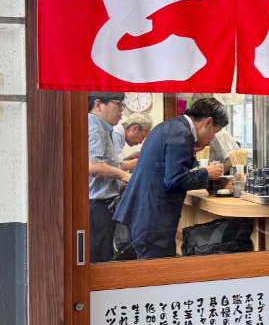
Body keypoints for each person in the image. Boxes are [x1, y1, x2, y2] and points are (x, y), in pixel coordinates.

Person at [113, 98, 227, 260]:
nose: (211, 139)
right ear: (207, 122)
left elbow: (165, 167)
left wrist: (191, 153)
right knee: (157, 279)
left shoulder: (167, 126)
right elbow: (175, 180)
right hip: (153, 225)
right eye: (214, 132)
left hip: (141, 218)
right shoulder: (183, 134)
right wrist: (206, 173)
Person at [88, 93, 131, 263]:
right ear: (98, 105)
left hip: (103, 205)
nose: (122, 110)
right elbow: (93, 166)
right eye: (119, 104)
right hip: (98, 206)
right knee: (101, 259)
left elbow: (108, 165)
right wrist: (124, 176)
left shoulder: (102, 128)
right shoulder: (94, 128)